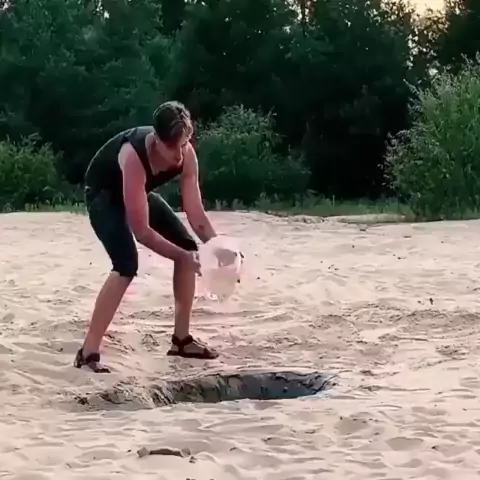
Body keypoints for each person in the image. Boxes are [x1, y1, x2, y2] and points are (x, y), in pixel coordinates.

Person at [74, 101, 228, 373]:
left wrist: (218, 249)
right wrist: (184, 258)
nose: (179, 154)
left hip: (138, 192)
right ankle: (88, 352)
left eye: (184, 144)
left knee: (187, 245)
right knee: (125, 264)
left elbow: (196, 215)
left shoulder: (186, 154)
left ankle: (182, 341)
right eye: (172, 147)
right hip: (103, 194)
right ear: (156, 139)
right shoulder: (133, 155)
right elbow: (142, 231)